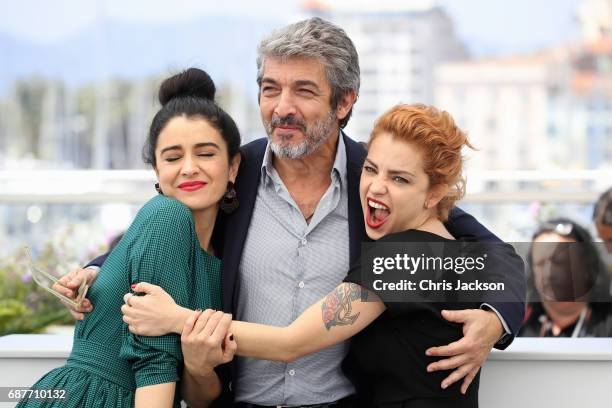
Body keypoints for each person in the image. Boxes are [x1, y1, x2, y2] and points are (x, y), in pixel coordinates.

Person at [62, 18, 526, 407]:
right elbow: (163, 226)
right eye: (270, 88)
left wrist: (494, 318)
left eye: (303, 90)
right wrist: (95, 270)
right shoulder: (230, 171)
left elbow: (493, 254)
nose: (282, 107)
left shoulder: (380, 181)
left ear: (344, 102)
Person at [133, 104, 523, 407]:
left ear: (434, 193)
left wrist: (176, 318)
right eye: (371, 169)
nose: (376, 187)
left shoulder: (400, 256)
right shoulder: (443, 248)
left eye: (399, 179)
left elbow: (291, 343)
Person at [20, 68, 240, 408]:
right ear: (156, 170)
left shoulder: (218, 260)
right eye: (172, 157)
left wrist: (199, 363)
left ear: (233, 166)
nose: (189, 168)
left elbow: (201, 395)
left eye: (206, 153)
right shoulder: (167, 216)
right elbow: (154, 363)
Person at [519, 218, 612, 337]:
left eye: (559, 261)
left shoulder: (607, 321)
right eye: (540, 263)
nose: (549, 272)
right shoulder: (517, 327)